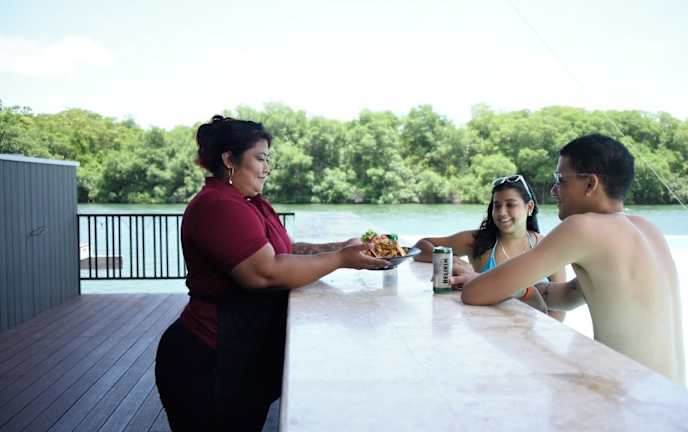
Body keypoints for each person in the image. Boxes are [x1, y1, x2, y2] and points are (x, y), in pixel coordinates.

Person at [155, 115, 389, 431]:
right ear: (229, 160)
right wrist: (340, 259)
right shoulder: (218, 205)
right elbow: (264, 273)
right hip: (208, 359)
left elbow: (285, 253)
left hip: (239, 356)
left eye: (268, 159)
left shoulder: (250, 203)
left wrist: (345, 247)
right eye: (260, 158)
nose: (267, 168)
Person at [452, 134, 686, 385]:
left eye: (560, 180)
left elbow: (474, 294)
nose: (554, 190)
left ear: (590, 184)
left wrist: (478, 279)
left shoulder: (584, 227)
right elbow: (567, 295)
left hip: (630, 398)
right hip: (672, 396)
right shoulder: (648, 230)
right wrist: (518, 287)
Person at [414, 175, 567, 320]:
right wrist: (451, 259)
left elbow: (561, 306)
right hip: (488, 330)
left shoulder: (548, 246)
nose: (501, 212)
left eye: (510, 205)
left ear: (530, 207)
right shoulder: (477, 241)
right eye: (497, 205)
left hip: (534, 332)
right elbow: (421, 246)